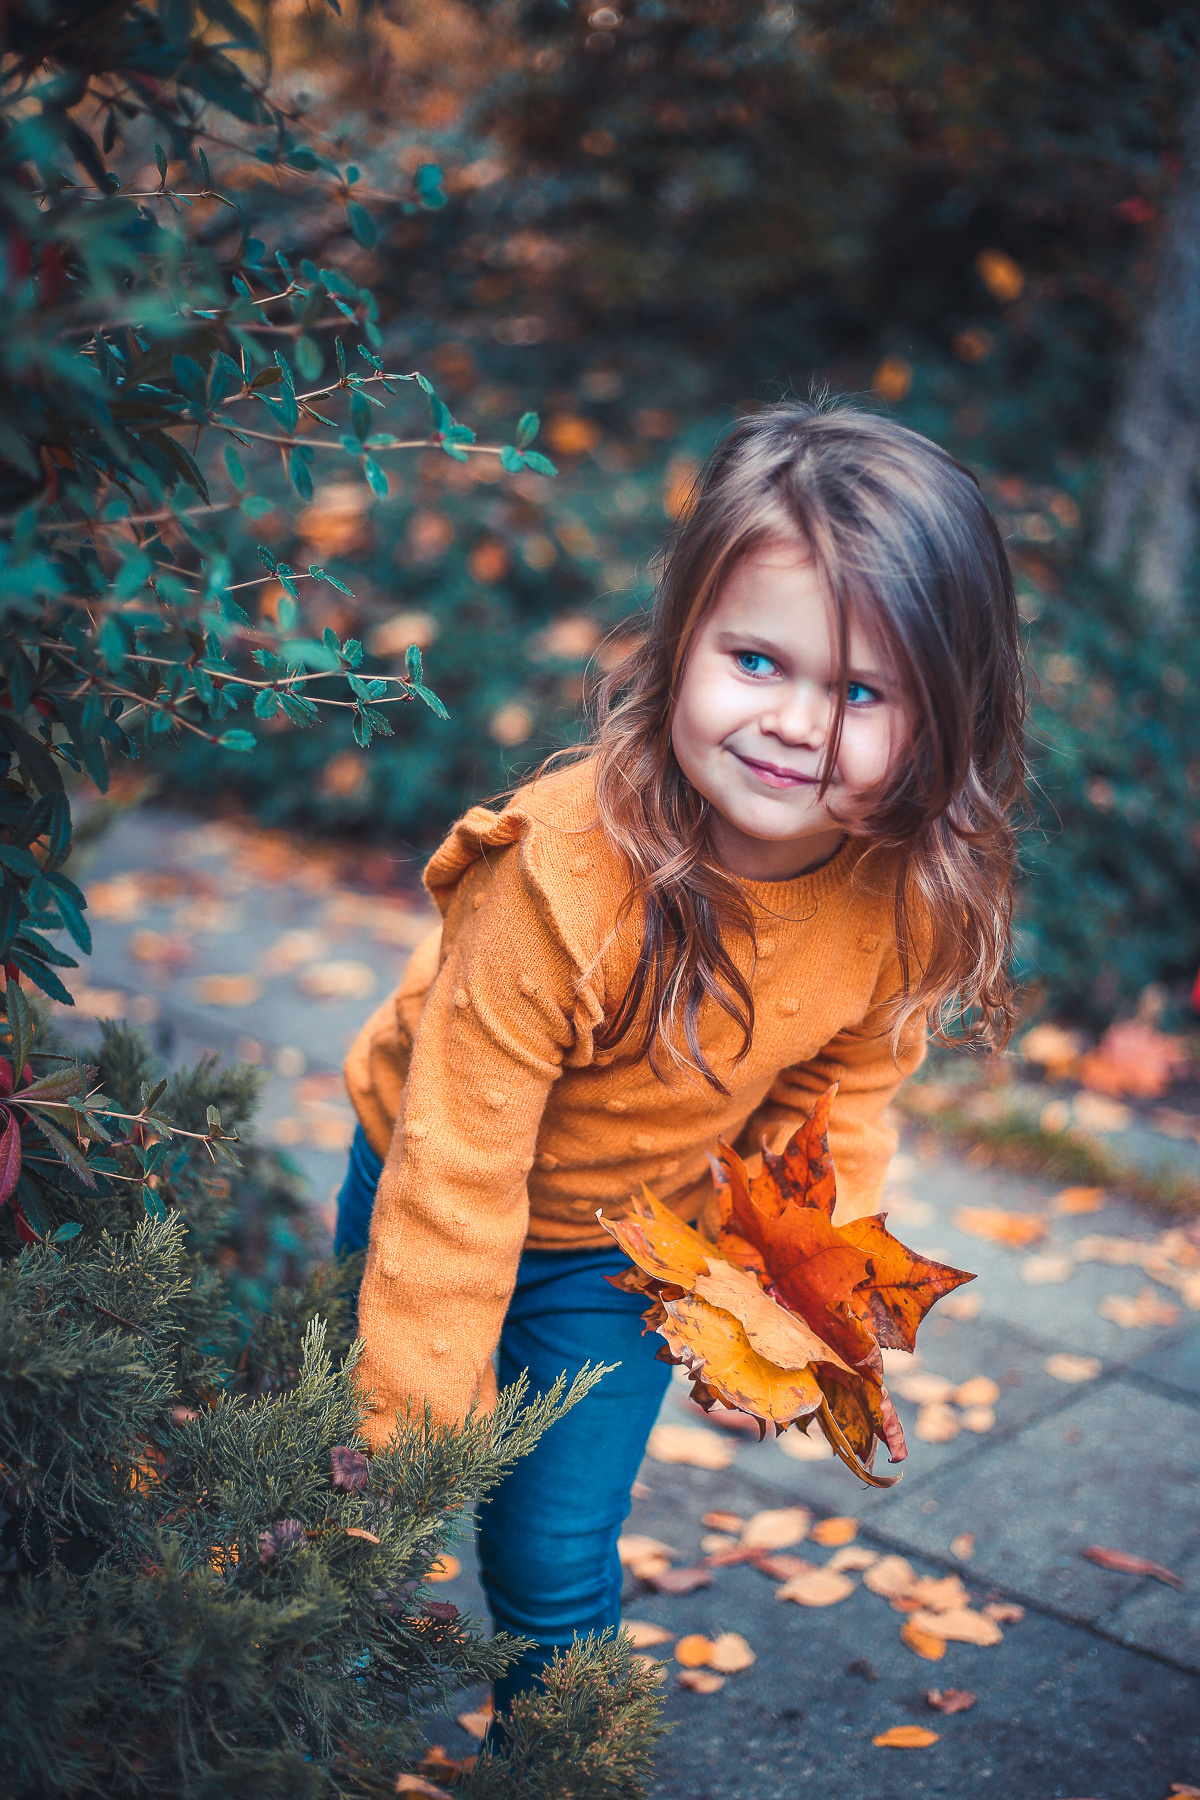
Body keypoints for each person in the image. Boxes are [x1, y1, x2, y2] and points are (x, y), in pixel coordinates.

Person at [335, 400, 1027, 1713]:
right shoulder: (560, 882)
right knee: (388, 1490)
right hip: (431, 1182)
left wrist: (779, 1309)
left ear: (943, 718)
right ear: (682, 640)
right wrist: (407, 1433)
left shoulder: (896, 894)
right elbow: (458, 1175)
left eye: (863, 691)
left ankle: (564, 1756)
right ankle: (306, 1699)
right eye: (759, 661)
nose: (797, 725)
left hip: (624, 1239)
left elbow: (840, 1104)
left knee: (553, 1545)